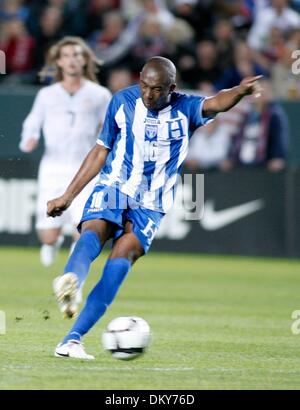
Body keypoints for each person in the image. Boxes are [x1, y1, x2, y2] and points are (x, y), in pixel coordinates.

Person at [47, 56, 262, 360]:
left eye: (157, 89)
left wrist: (239, 92)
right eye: (144, 86)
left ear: (171, 88)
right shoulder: (122, 102)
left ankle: (71, 340)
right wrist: (68, 195)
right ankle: (72, 282)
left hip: (152, 202)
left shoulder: (186, 107)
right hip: (115, 185)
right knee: (94, 230)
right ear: (139, 80)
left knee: (123, 256)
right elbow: (100, 150)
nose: (148, 94)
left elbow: (216, 103)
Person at [19, 36, 111, 267]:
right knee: (48, 233)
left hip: (86, 169)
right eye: (67, 55)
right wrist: (29, 138)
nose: (72, 60)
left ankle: (72, 272)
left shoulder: (99, 94)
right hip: (53, 167)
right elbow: (32, 123)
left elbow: (111, 125)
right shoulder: (47, 95)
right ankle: (51, 243)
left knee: (82, 225)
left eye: (77, 55)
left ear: (85, 60)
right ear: (59, 62)